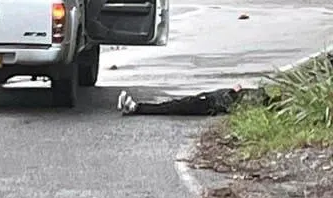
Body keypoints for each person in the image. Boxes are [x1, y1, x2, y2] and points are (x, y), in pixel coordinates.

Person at [117, 84, 278, 116]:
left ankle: (136, 108)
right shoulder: (259, 96)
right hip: (209, 99)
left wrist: (233, 92)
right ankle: (136, 107)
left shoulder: (258, 102)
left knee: (173, 106)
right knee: (174, 105)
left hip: (209, 103)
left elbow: (232, 104)